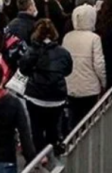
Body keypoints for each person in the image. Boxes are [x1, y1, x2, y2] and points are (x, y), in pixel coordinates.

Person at [19, 19, 74, 152]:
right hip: (56, 97)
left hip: (35, 95)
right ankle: (53, 153)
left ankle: (39, 156)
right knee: (53, 127)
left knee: (36, 128)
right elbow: (68, 71)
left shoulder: (32, 51)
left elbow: (23, 70)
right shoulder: (63, 53)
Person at [62, 5, 107, 127]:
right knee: (89, 120)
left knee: (73, 118)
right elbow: (99, 64)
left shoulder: (67, 37)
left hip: (70, 85)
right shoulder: (94, 38)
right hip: (90, 86)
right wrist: (103, 82)